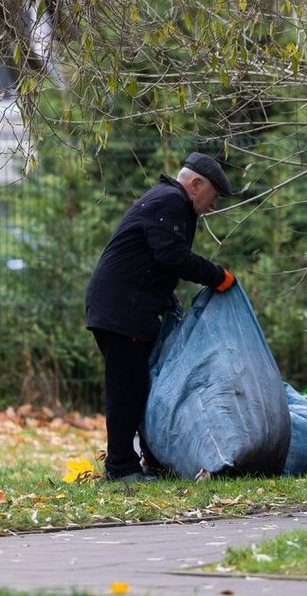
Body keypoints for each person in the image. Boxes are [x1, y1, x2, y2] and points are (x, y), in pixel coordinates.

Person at [85, 151, 237, 482]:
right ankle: (120, 468)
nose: (212, 207)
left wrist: (165, 296)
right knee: (127, 389)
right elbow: (172, 255)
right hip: (124, 309)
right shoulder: (171, 201)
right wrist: (218, 276)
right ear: (196, 184)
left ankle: (142, 461)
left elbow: (149, 257)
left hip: (122, 305)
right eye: (212, 198)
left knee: (138, 386)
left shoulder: (164, 199)